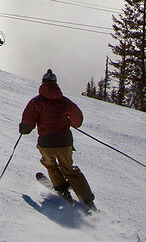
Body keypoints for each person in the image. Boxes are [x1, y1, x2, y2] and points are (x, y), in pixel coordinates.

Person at [19, 69, 96, 209]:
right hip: (64, 142)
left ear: (42, 84)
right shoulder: (64, 101)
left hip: (46, 143)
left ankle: (62, 189)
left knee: (50, 164)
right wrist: (71, 123)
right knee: (69, 169)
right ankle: (87, 200)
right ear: (56, 84)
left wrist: (24, 129)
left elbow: (28, 122)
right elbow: (78, 119)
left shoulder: (36, 102)